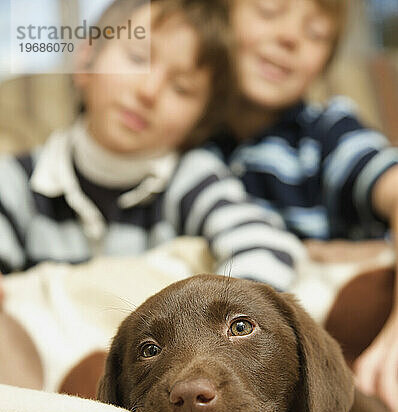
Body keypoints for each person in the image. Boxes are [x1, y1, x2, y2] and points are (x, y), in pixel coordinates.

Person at [0, 0, 303, 294]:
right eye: (137, 59)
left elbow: (265, 247)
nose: (149, 91)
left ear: (200, 123)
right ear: (86, 60)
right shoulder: (14, 180)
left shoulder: (193, 178)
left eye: (182, 88)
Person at [208, 0, 398, 409]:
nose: (290, 37)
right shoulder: (185, 146)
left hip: (349, 345)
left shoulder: (326, 132)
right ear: (219, 19)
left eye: (316, 34)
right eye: (269, 11)